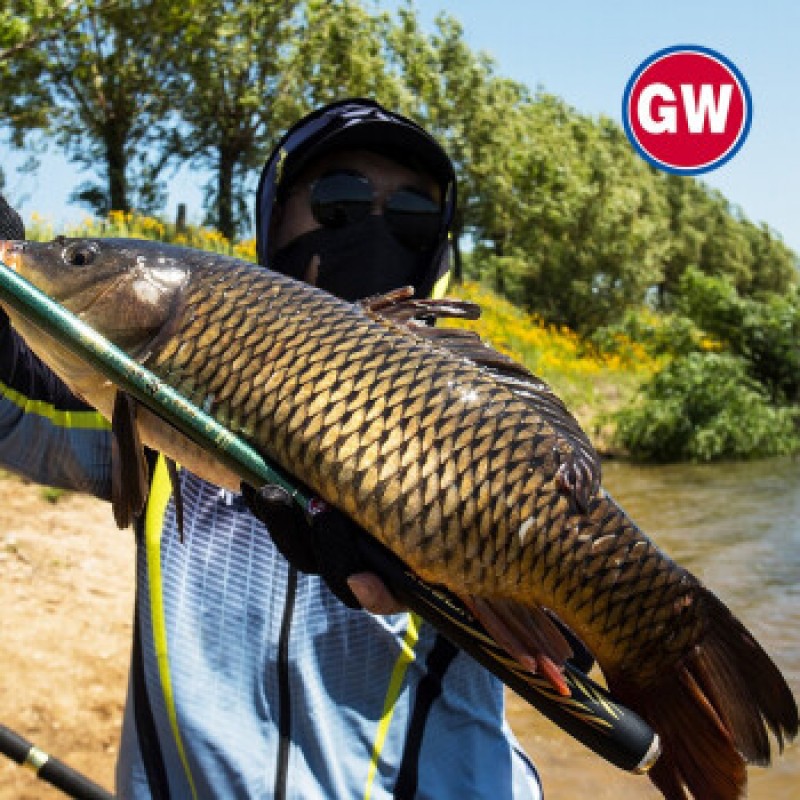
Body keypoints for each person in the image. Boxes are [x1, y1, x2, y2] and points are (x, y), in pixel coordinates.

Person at [0, 98, 543, 799]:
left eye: (411, 214)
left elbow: (572, 625)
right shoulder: (163, 417)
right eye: (340, 200)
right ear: (276, 215)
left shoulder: (480, 425)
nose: (375, 227)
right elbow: (12, 401)